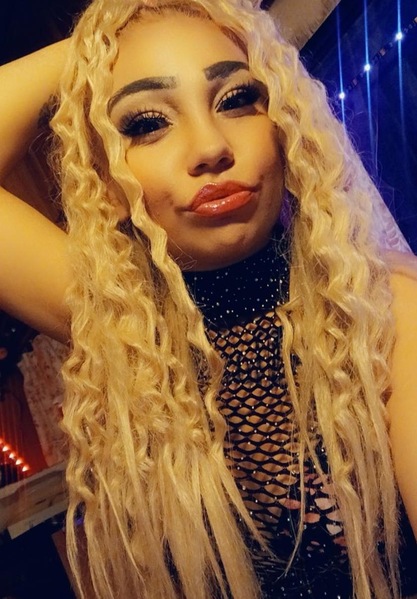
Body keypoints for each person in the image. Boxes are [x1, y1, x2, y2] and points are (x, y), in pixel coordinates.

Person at [0, 0, 416, 597]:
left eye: (237, 99)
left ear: (285, 129)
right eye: (146, 123)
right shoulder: (125, 326)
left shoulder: (385, 312)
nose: (210, 146)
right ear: (107, 184)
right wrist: (107, 33)